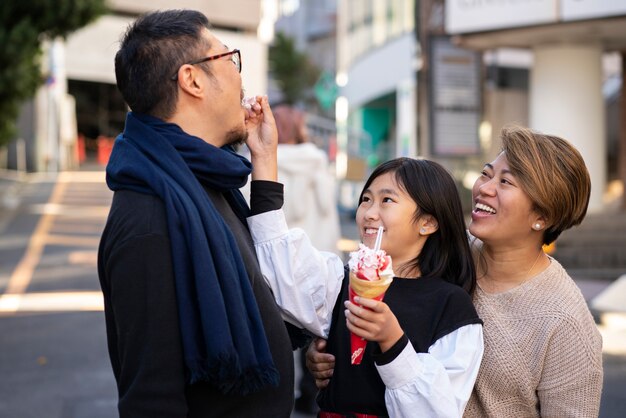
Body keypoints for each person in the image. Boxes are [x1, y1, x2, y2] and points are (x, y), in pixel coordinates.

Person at [307, 127, 604, 417]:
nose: (484, 188)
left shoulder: (568, 324)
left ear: (543, 216)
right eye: (486, 174)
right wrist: (328, 350)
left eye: (505, 182)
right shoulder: (433, 249)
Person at [97, 10, 298, 417]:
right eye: (230, 58)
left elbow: (264, 282)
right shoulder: (150, 220)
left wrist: (265, 164)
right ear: (192, 80)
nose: (241, 76)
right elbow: (151, 400)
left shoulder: (202, 180)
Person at [248, 157, 484, 417]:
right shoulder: (341, 281)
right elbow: (280, 266)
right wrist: (263, 157)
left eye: (387, 200)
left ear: (427, 223)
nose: (369, 213)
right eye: (366, 199)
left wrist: (392, 340)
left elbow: (438, 411)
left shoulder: (451, 304)